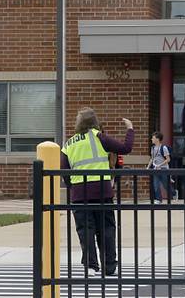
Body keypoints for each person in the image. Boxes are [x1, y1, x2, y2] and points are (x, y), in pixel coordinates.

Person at [60, 109, 134, 277]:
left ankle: (91, 265)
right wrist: (130, 129)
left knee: (85, 231)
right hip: (102, 191)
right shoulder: (99, 137)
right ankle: (109, 266)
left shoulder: (68, 143)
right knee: (106, 229)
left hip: (79, 194)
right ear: (94, 121)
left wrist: (73, 187)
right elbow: (126, 148)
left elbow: (64, 170)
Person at [147, 132, 171, 203]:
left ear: (157, 139)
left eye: (153, 138)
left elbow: (168, 159)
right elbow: (152, 158)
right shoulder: (153, 148)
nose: (151, 139)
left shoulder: (164, 148)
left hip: (163, 168)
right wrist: (148, 167)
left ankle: (174, 193)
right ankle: (158, 199)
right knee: (156, 185)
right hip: (155, 169)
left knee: (165, 185)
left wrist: (159, 165)